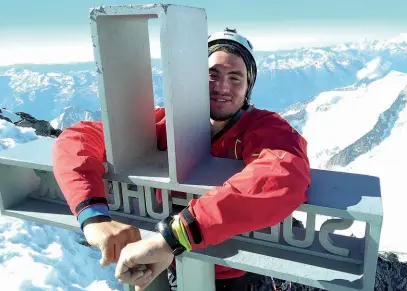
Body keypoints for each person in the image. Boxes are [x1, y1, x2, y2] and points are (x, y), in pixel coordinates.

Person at [52, 28, 311, 291]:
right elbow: (78, 138)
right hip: (173, 260)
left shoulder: (264, 128)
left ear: (248, 87)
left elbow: (281, 175)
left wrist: (176, 235)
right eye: (212, 75)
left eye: (236, 78)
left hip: (238, 272)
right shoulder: (166, 123)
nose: (222, 87)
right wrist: (94, 219)